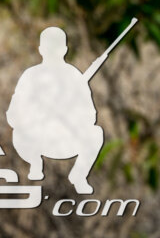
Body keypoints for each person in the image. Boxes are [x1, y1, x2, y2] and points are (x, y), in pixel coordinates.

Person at [8, 26, 108, 195]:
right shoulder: (30, 76)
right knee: (18, 133)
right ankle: (35, 163)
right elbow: (13, 115)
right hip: (36, 141)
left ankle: (79, 176)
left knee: (96, 133)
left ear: (64, 50)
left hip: (66, 141)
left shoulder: (75, 77)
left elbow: (90, 116)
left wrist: (68, 114)